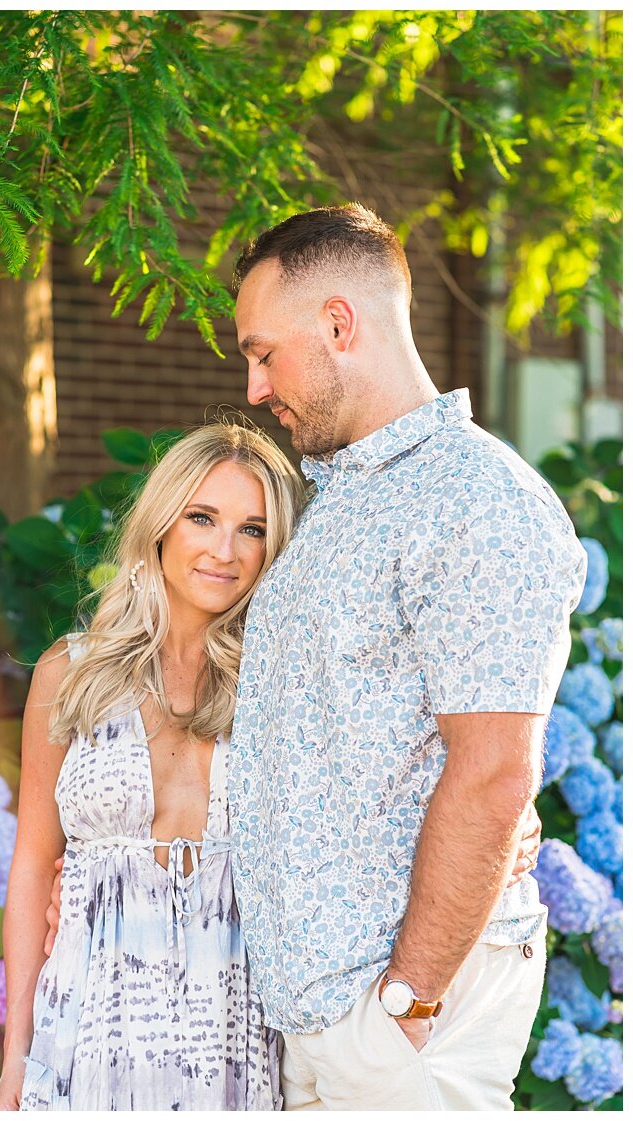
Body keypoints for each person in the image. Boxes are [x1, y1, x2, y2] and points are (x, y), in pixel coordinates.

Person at [224, 204, 583, 1110]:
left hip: (403, 1013)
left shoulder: (477, 498)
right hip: (319, 1006)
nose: (257, 385)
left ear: (339, 324)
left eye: (265, 351)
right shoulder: (338, 500)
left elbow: (497, 769)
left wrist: (408, 1002)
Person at [0, 422, 306, 1110]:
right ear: (162, 525)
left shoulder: (279, 685)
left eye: (252, 529)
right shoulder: (71, 672)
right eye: (203, 517)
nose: (225, 550)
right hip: (87, 1026)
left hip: (235, 1032)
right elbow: (30, 865)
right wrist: (16, 1052)